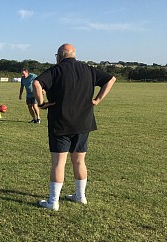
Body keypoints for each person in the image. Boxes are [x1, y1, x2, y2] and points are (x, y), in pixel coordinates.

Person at [32, 44, 116, 210]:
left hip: (60, 123)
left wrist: (41, 103)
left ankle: (53, 201)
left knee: (59, 163)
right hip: (83, 122)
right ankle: (80, 196)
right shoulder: (88, 69)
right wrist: (97, 100)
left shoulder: (56, 70)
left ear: (60, 56)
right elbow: (111, 79)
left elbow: (36, 83)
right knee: (79, 161)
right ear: (74, 54)